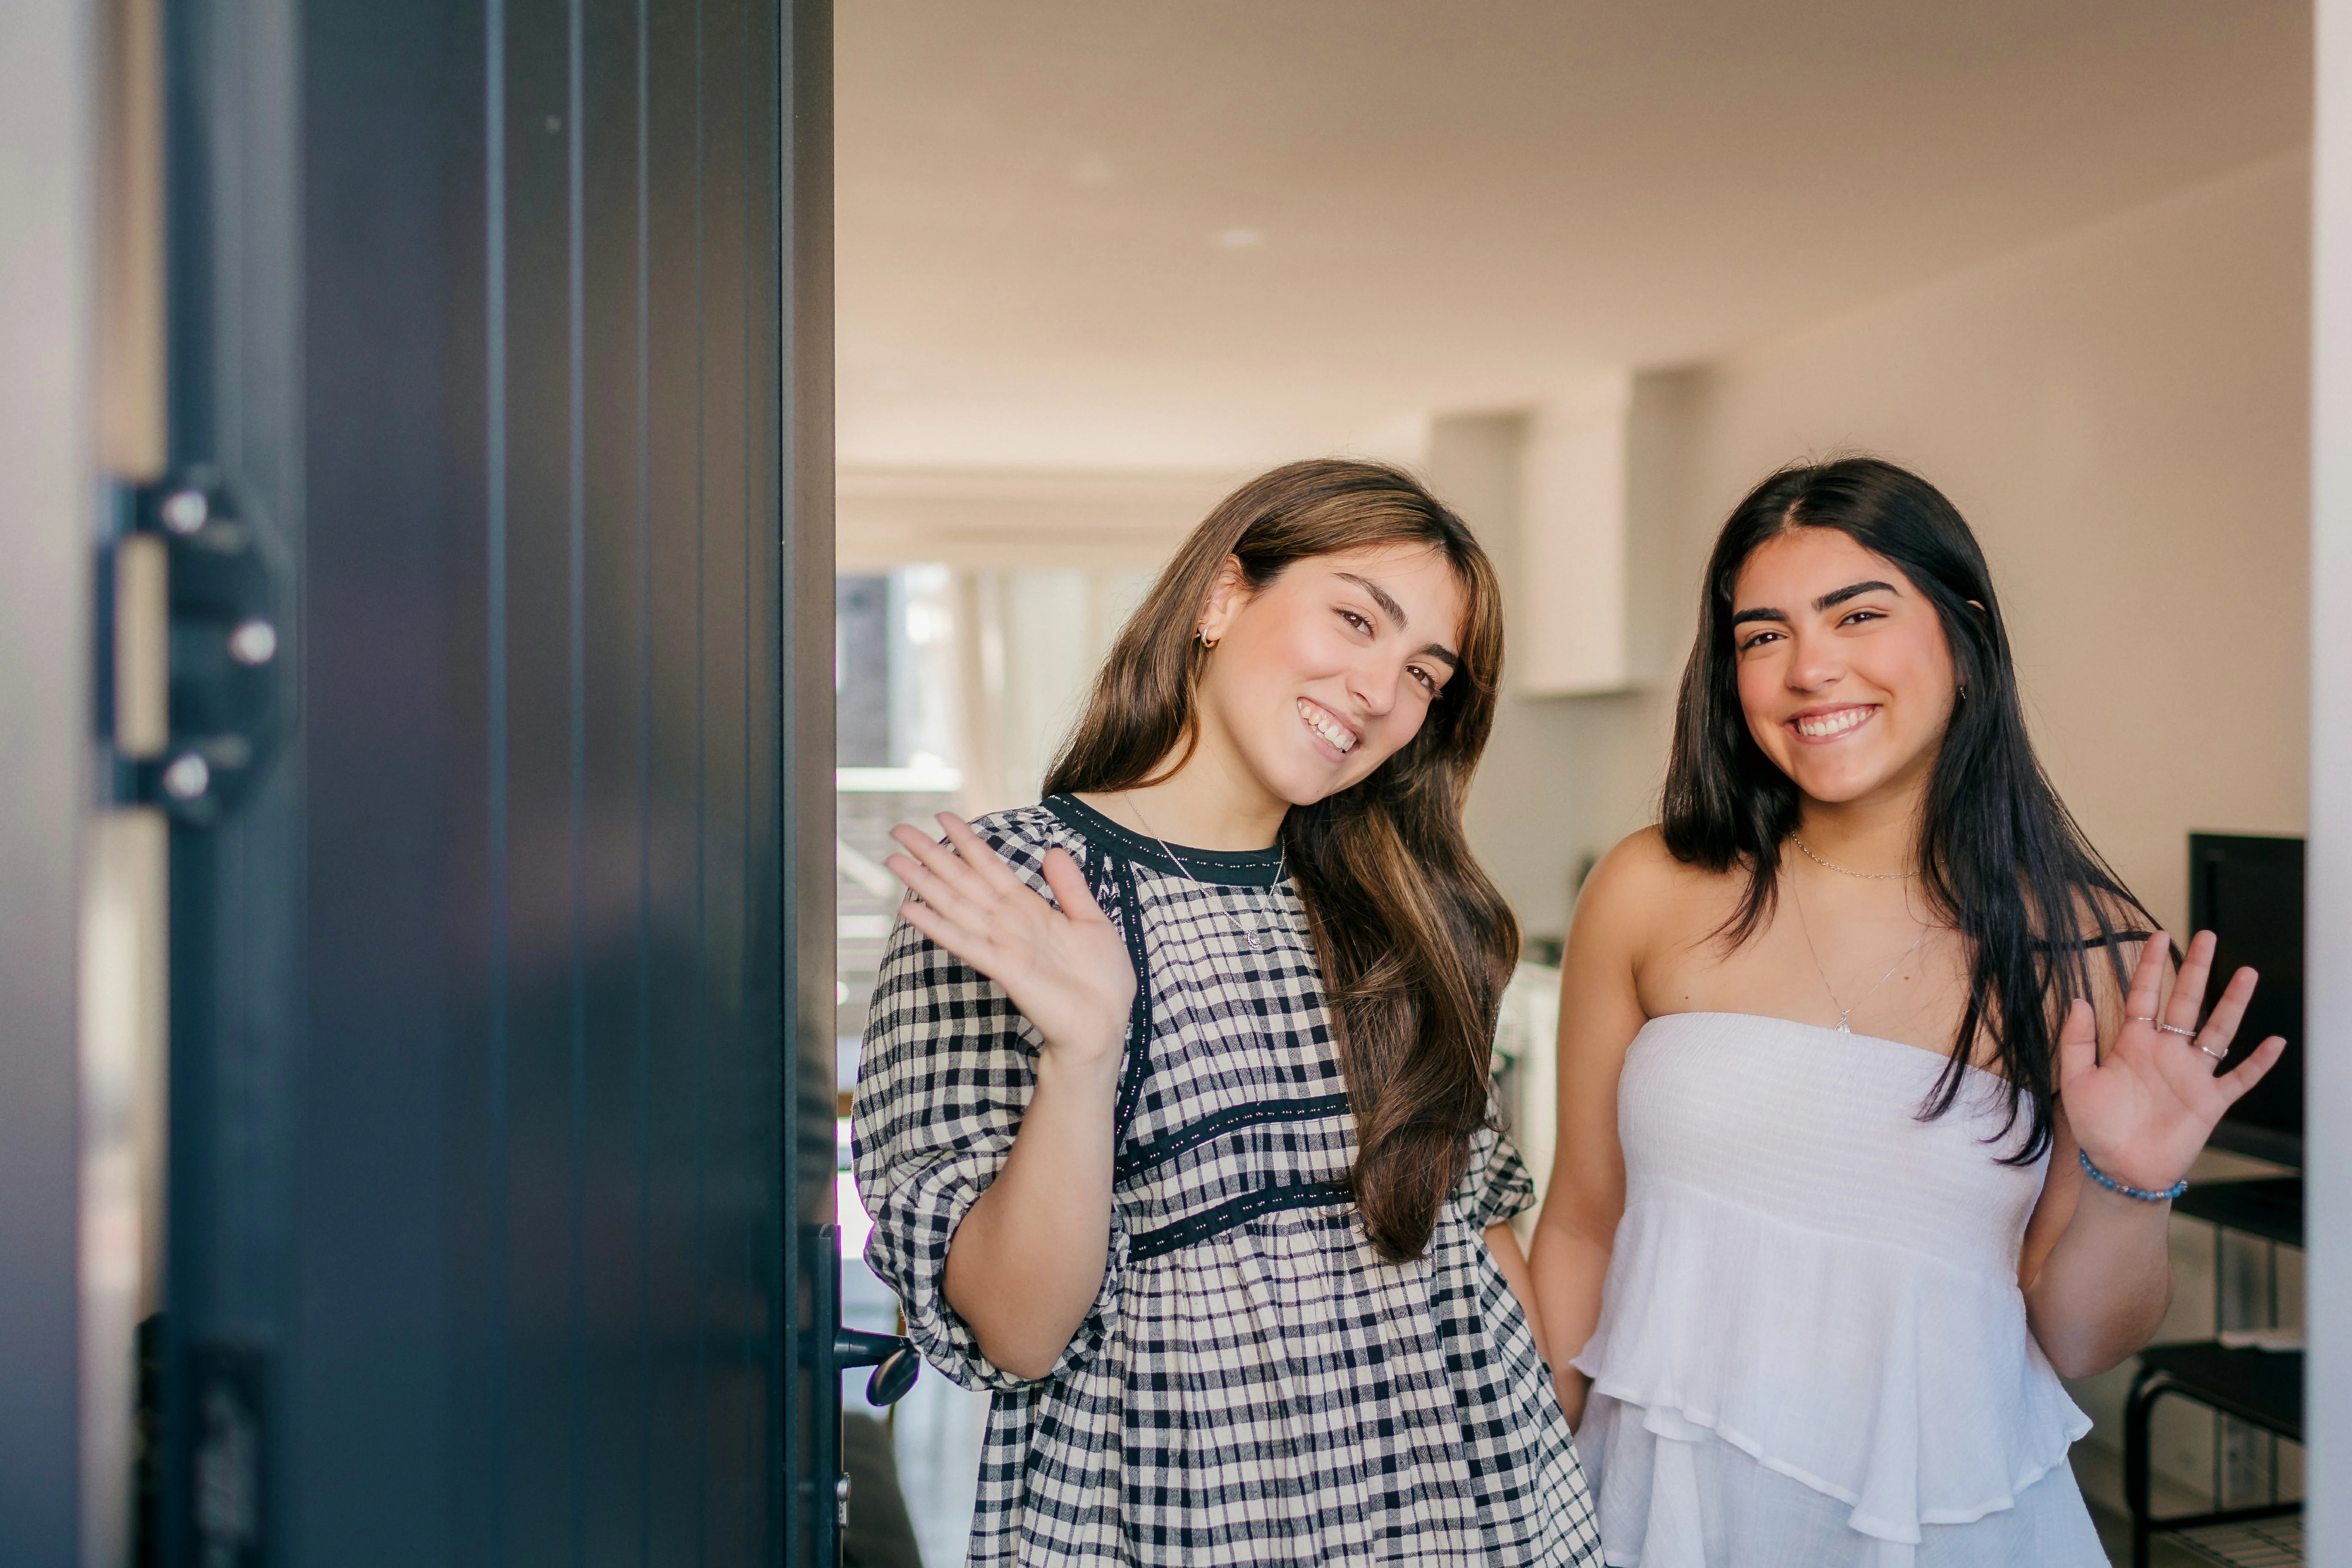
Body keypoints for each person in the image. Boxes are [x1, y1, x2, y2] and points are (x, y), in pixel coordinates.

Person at [1528, 457, 2286, 1566]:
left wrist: (2135, 1186)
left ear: (1964, 636)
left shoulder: (2092, 945)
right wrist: (1533, 1487)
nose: (1809, 668)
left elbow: (2075, 1336)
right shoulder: (1652, 886)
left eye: (1859, 615)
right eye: (1762, 635)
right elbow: (1583, 1224)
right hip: (1657, 1503)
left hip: (1951, 1523)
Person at [853, 459, 1599, 1566]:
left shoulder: (1405, 912)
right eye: (1355, 618)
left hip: (1476, 1517)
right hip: (1184, 1523)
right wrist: (1084, 1051)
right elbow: (1017, 1332)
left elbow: (1478, 1241)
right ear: (1221, 597)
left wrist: (1556, 1439)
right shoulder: (1007, 893)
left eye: (1423, 675)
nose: (1379, 692)